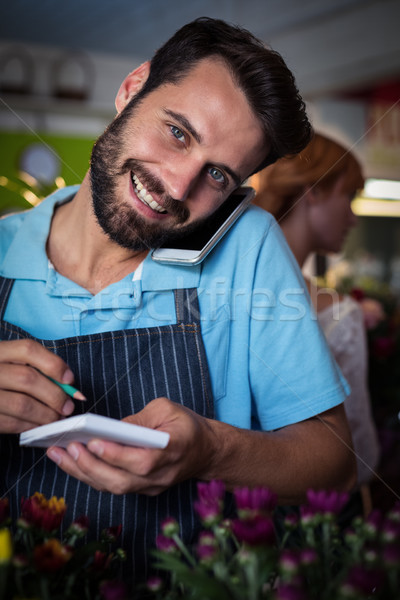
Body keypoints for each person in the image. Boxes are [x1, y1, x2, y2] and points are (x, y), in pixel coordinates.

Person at [0, 18, 355, 580]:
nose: (177, 185)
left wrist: (212, 451)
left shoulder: (248, 247)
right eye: (178, 133)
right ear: (132, 88)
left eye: (216, 173)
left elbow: (336, 465)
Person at [252, 132, 380, 518]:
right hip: (317, 516)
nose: (354, 216)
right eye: (350, 196)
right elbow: (358, 455)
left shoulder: (226, 290)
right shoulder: (340, 314)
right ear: (314, 192)